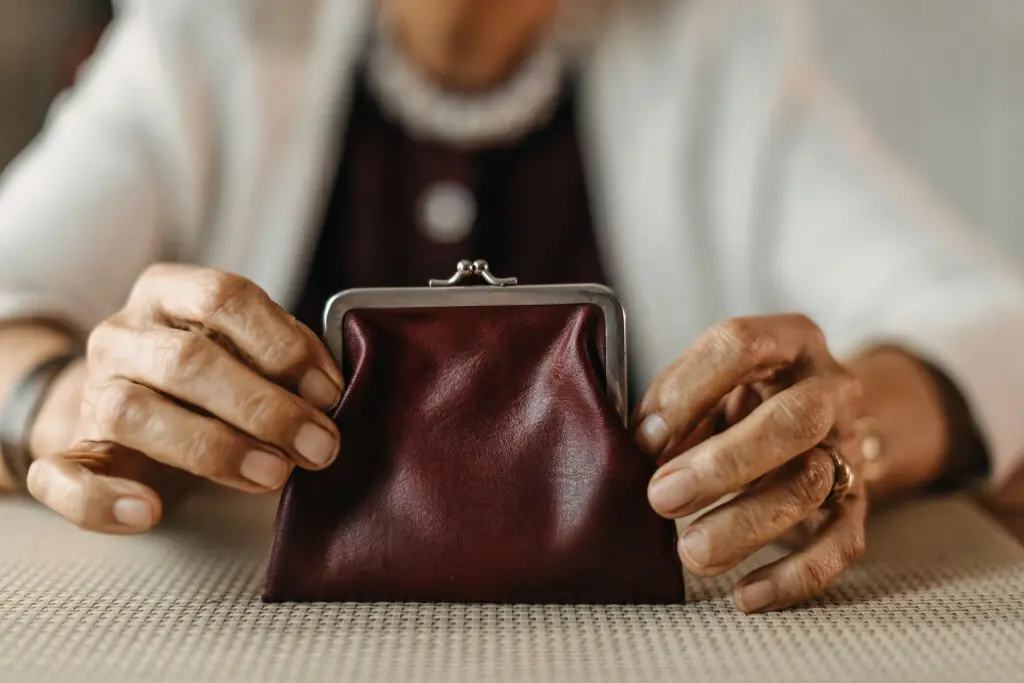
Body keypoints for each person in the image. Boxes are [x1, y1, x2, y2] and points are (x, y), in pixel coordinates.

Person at [0, 0, 1022, 614]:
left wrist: (849, 430)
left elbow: (993, 322)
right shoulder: (205, 35)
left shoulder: (724, 50)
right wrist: (55, 397)